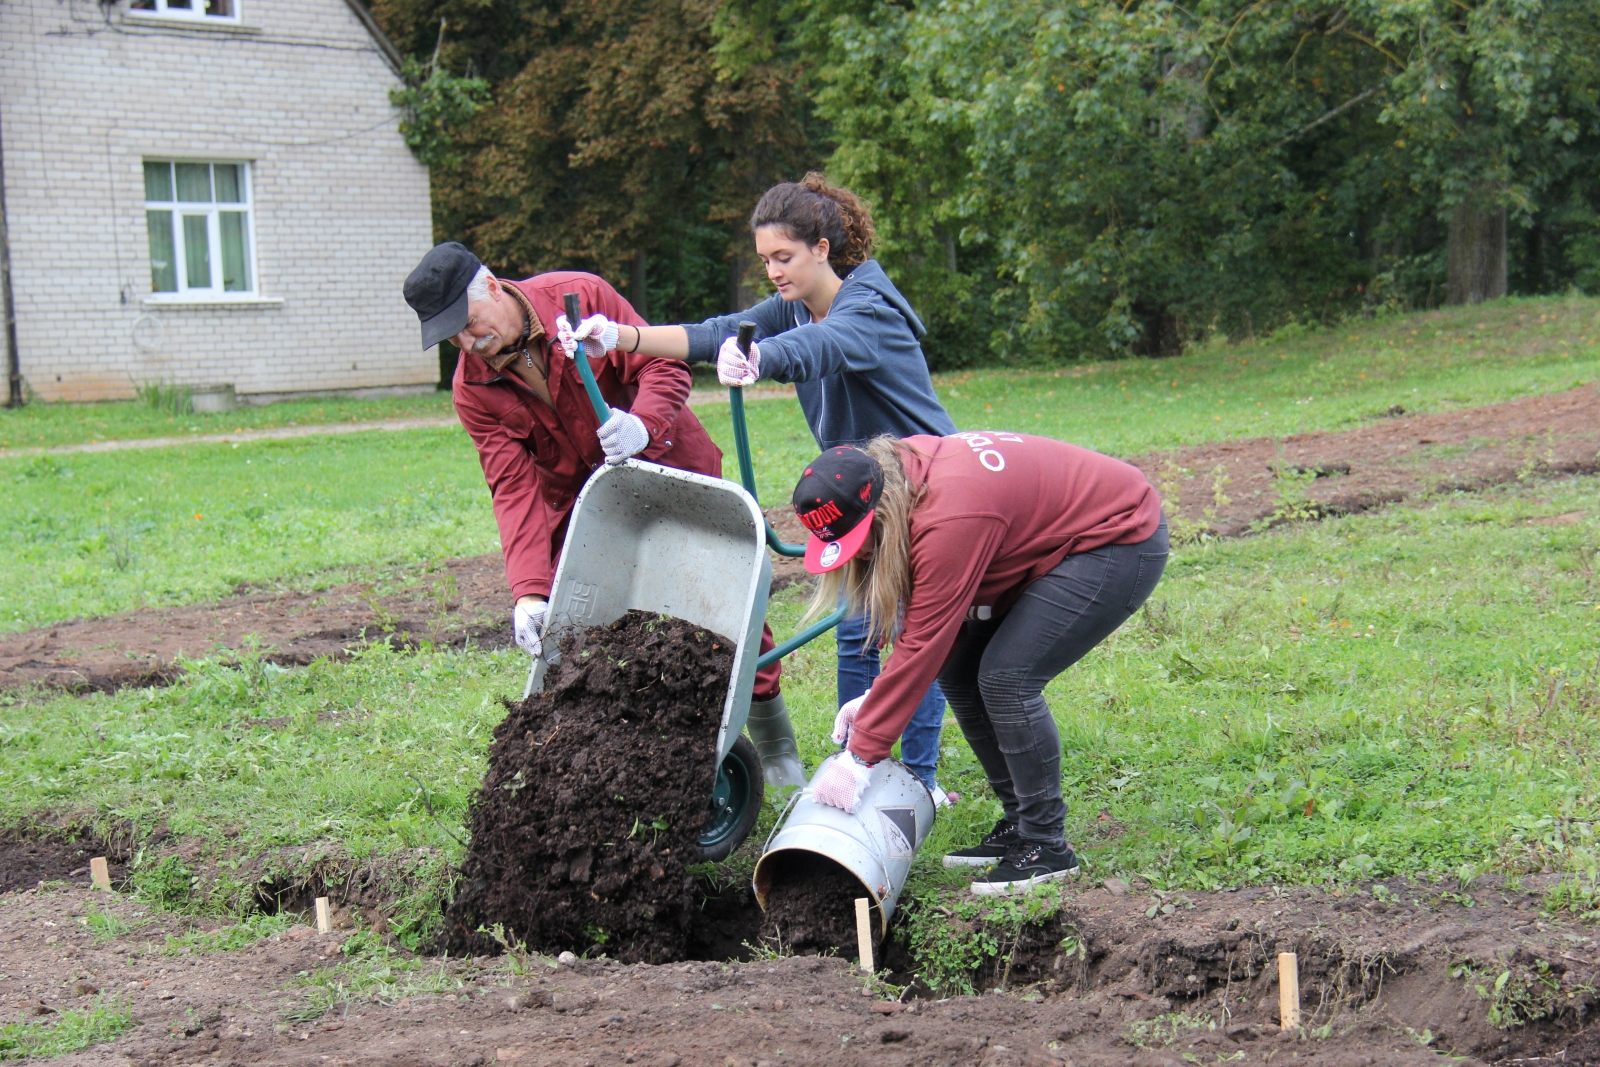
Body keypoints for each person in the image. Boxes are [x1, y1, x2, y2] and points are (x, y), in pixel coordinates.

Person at [564, 174, 958, 798]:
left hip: (925, 481)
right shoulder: (792, 306)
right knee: (856, 628)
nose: (773, 271)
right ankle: (857, 763)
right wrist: (622, 337)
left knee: (911, 628)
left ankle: (918, 778)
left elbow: (821, 347)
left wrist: (762, 359)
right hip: (859, 487)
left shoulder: (868, 308)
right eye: (765, 260)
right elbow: (719, 329)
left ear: (822, 249)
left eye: (784, 257)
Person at [401, 242, 788, 758]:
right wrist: (529, 593)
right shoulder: (474, 389)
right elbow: (513, 488)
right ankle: (631, 747)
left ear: (493, 287)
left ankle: (773, 743)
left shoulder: (577, 298)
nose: (469, 343)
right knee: (592, 626)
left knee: (731, 601)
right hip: (590, 509)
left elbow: (663, 365)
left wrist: (640, 425)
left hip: (670, 470)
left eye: (470, 323)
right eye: (454, 338)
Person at [790, 433, 1168, 895]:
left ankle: (1047, 845)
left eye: (861, 542)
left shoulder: (950, 516)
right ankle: (1021, 825)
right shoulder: (900, 477)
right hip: (1048, 540)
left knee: (1007, 679)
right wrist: (875, 701)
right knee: (960, 674)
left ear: (882, 509)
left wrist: (859, 756)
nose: (862, 556)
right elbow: (931, 638)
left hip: (1115, 537)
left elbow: (927, 637)